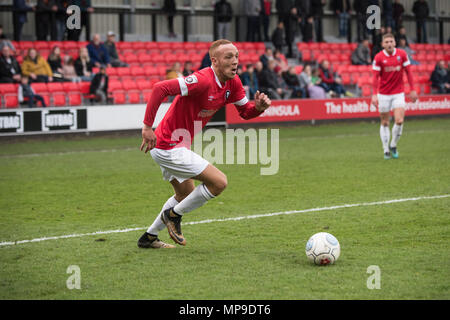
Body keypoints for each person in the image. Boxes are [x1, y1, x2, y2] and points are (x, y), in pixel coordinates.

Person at [137, 39, 271, 249]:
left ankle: (149, 237)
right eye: (228, 57)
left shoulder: (233, 82)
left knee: (185, 195)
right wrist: (147, 126)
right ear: (214, 61)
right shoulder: (201, 80)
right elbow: (159, 89)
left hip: (176, 145)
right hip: (167, 145)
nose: (235, 61)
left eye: (236, 56)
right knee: (219, 182)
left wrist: (259, 108)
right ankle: (174, 215)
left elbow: (245, 112)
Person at [371, 33, 417, 160]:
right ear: (382, 44)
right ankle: (385, 149)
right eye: (386, 42)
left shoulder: (402, 54)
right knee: (385, 122)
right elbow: (375, 77)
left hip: (398, 93)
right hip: (384, 94)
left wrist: (413, 89)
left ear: (395, 43)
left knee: (399, 120)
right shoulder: (379, 57)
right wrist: (374, 94)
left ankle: (393, 145)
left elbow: (409, 72)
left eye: (391, 41)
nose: (389, 44)